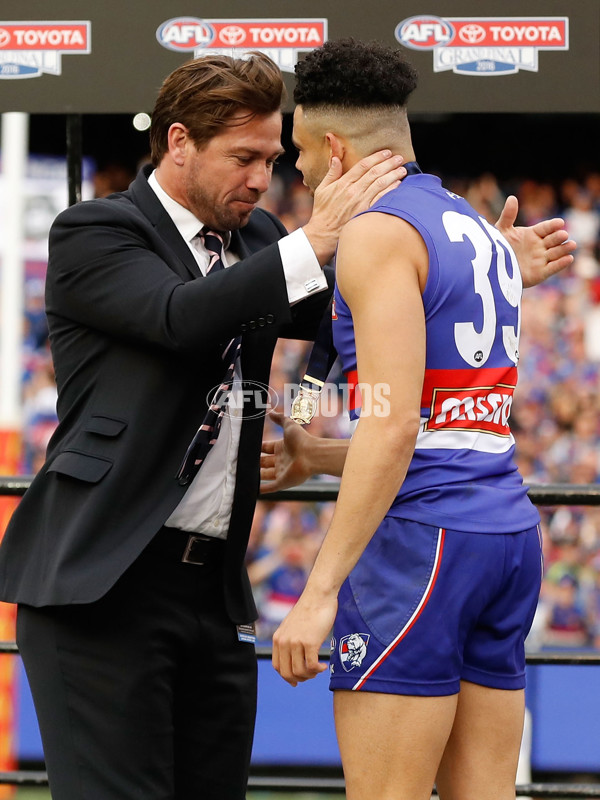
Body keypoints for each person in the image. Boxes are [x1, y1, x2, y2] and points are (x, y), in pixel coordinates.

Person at [0, 51, 408, 800]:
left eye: (274, 158)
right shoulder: (95, 231)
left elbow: (352, 310)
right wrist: (314, 242)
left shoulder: (259, 244)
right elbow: (180, 318)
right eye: (244, 157)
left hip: (214, 597)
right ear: (179, 141)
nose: (263, 178)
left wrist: (460, 262)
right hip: (101, 585)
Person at [261, 39, 576, 800]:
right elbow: (444, 427)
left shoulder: (373, 235)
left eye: (300, 152)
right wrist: (318, 453)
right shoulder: (473, 227)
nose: (295, 172)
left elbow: (396, 426)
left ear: (334, 149)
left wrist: (319, 591)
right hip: (504, 534)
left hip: (423, 543)